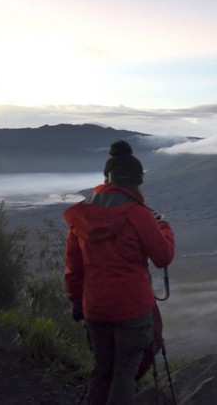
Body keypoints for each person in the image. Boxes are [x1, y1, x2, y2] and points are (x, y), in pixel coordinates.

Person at [64, 140, 175, 405]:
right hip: (132, 310)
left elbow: (73, 267)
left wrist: (77, 302)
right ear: (136, 182)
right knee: (124, 374)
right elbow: (163, 256)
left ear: (107, 178)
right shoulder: (138, 215)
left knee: (102, 371)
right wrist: (165, 228)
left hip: (96, 308)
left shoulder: (83, 215)